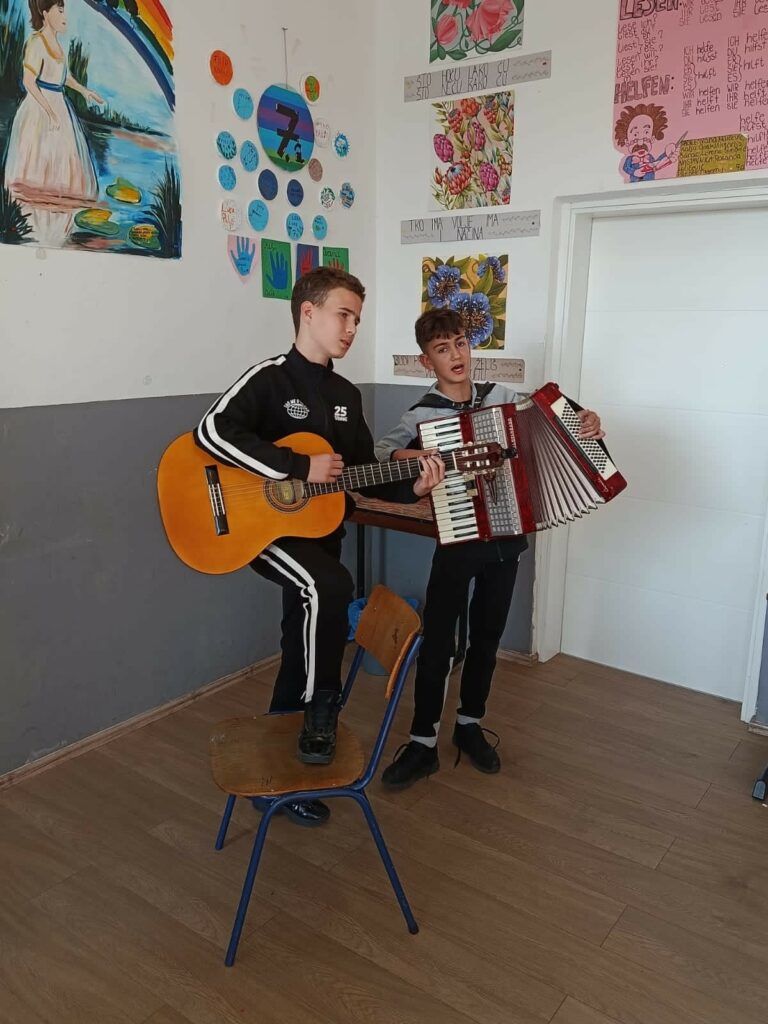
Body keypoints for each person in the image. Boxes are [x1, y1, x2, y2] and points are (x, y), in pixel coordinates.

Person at [194, 268, 444, 826]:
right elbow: (211, 433)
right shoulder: (269, 378)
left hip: (319, 534)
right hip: (259, 531)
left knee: (301, 634)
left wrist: (414, 487)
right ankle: (321, 709)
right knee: (331, 585)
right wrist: (296, 465)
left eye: (358, 318)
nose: (352, 328)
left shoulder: (345, 396)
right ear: (308, 312)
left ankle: (275, 780)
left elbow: (364, 473)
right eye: (343, 315)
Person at [375, 308, 604, 789]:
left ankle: (469, 724)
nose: (455, 355)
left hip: (506, 540)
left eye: (460, 343)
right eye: (442, 349)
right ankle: (422, 743)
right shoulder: (421, 413)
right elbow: (379, 453)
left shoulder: (503, 397)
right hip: (458, 541)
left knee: (487, 639)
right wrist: (415, 456)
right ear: (427, 361)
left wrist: (585, 420)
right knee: (439, 642)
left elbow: (555, 418)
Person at [5, 1, 104, 244]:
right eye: (59, 10)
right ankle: (32, 223)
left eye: (64, 10)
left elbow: (64, 77)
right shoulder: (36, 43)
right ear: (45, 12)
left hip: (60, 106)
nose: (64, 16)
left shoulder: (59, 46)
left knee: (65, 164)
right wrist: (49, 112)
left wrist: (84, 91)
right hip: (39, 110)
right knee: (39, 162)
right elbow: (29, 82)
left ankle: (58, 223)